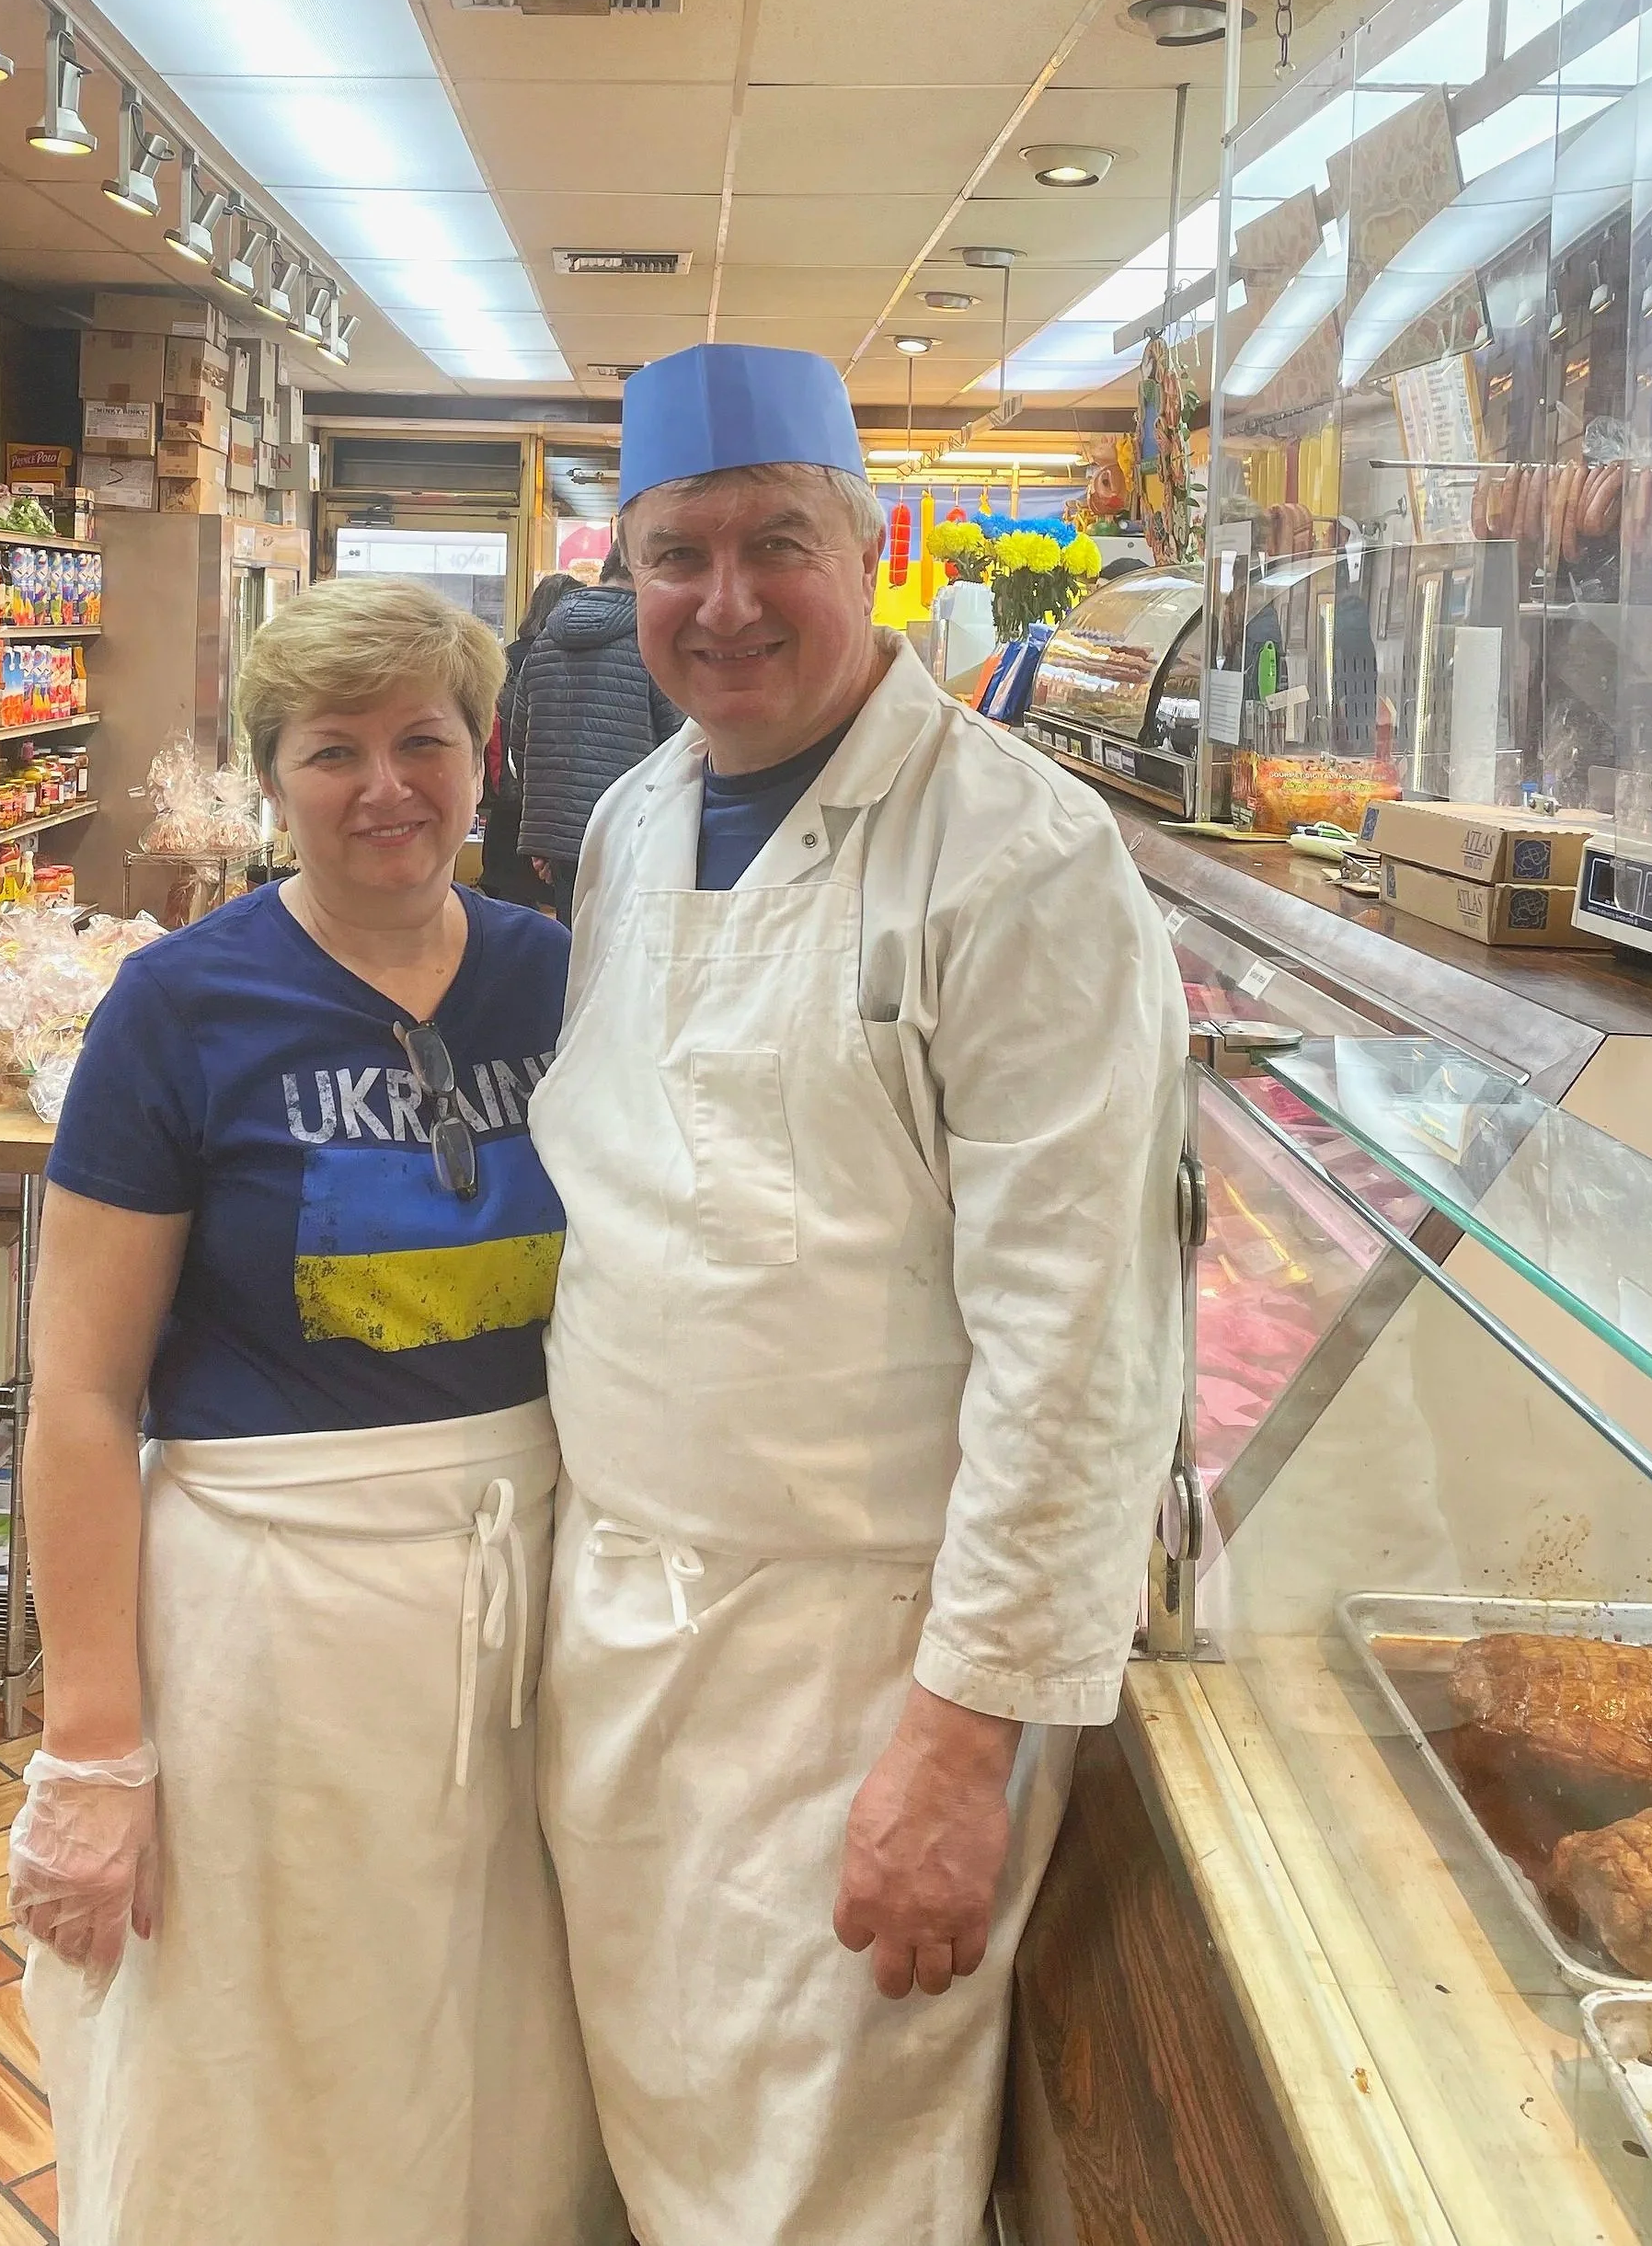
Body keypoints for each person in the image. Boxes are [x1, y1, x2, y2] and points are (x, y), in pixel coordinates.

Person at [529, 343, 1187, 2246]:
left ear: (873, 545)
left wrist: (955, 1739)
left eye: (774, 544)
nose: (724, 603)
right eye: (676, 555)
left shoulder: (1018, 856)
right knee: (656, 2146)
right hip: (626, 1651)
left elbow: (1082, 1342)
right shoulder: (634, 820)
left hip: (859, 1679)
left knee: (821, 2189)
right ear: (623, 568)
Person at [13, 576, 624, 2246]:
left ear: (485, 757)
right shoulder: (181, 1008)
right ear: (272, 777)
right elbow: (77, 1390)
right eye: (331, 749)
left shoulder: (557, 978)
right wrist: (91, 1741)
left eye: (421, 738)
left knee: (498, 2039)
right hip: (267, 1620)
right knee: (264, 2039)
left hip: (527, 1608)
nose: (384, 786)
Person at [509, 543, 683, 923]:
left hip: (562, 836)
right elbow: (681, 743)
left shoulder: (543, 643)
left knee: (577, 951)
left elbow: (520, 745)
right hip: (637, 827)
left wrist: (545, 835)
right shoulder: (649, 643)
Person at [481, 567, 577, 906]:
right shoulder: (569, 660)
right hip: (555, 804)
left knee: (510, 899)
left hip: (509, 800)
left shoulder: (507, 657)